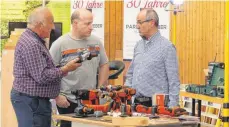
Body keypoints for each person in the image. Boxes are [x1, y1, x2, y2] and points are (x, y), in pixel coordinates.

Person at [10, 7, 81, 127]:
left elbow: (41, 70)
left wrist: (61, 68)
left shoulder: (35, 40)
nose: (53, 27)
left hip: (34, 101)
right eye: (51, 22)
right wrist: (66, 68)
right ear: (40, 25)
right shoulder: (32, 44)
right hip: (31, 102)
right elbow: (42, 76)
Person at [49, 9, 109, 127]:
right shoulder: (60, 44)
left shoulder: (95, 42)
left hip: (91, 100)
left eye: (92, 23)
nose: (91, 27)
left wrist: (100, 88)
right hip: (67, 101)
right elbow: (49, 72)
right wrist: (57, 96)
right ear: (75, 23)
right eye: (87, 24)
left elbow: (104, 64)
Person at [125, 9, 180, 108]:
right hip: (135, 104)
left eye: (140, 22)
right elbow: (131, 74)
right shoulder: (138, 45)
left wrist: (172, 108)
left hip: (156, 106)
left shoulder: (167, 47)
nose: (137, 26)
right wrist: (126, 95)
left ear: (151, 23)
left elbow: (174, 81)